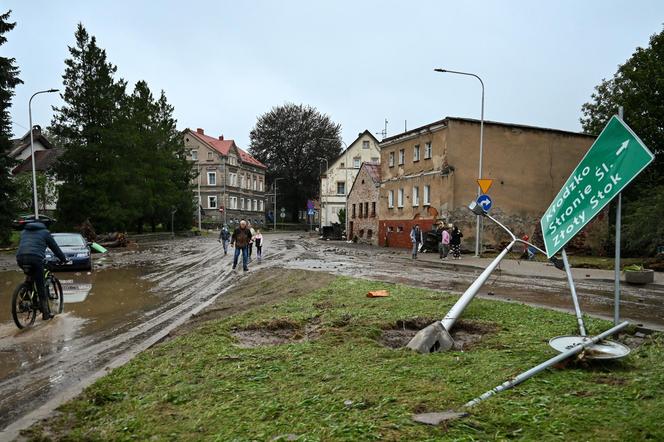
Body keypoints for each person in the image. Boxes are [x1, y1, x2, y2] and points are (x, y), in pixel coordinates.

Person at [15, 221, 68, 320]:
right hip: (36, 258)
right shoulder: (45, 232)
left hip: (20, 258)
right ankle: (46, 314)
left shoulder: (23, 232)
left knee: (30, 275)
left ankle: (25, 291)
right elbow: (55, 248)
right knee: (40, 286)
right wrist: (63, 259)